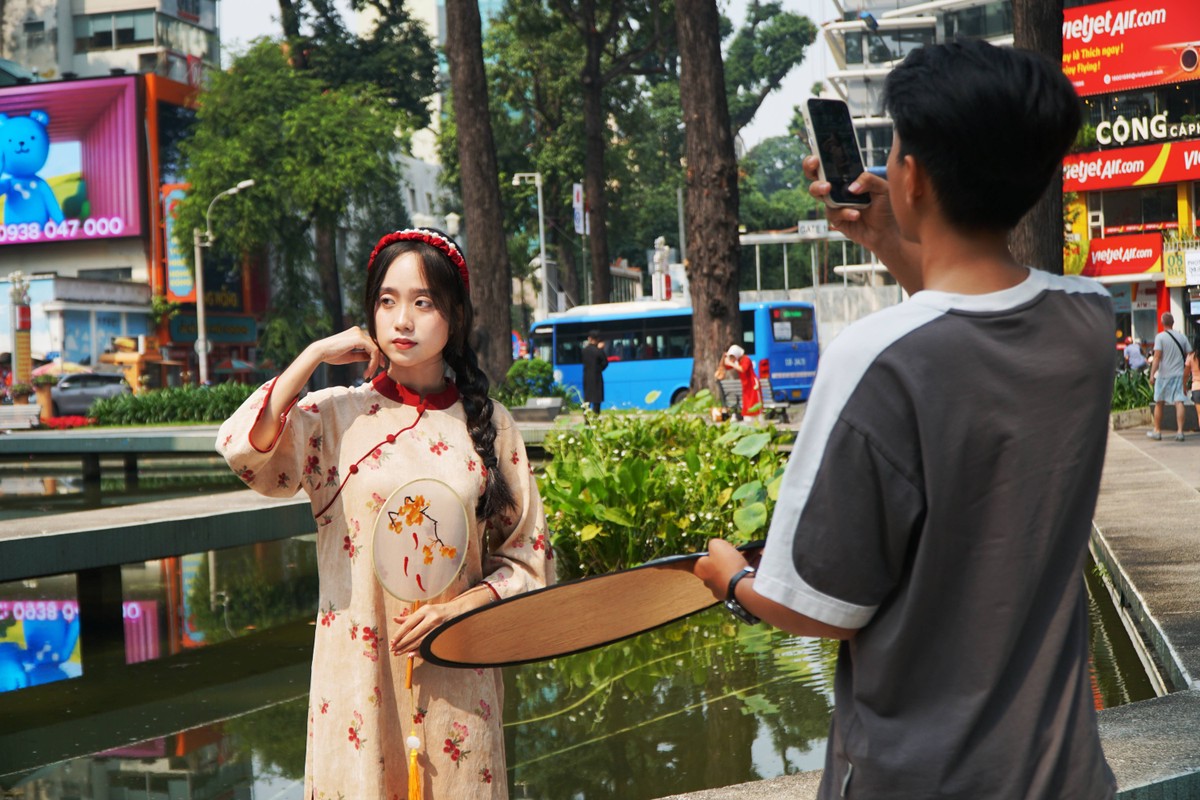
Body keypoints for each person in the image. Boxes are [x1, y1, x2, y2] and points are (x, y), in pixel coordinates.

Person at [694, 40, 1116, 799]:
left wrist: (733, 580)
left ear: (913, 175)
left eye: (894, 150)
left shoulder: (873, 358)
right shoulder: (1086, 324)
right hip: (1064, 777)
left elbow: (812, 607)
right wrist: (893, 235)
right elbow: (976, 319)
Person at [217, 228, 554, 799]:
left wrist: (465, 605)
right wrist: (314, 356)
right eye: (387, 301)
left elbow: (529, 561)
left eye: (423, 303)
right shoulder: (334, 416)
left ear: (454, 314)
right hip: (357, 678)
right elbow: (244, 450)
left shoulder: (491, 425)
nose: (402, 320)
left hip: (459, 675)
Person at [1148, 312, 1191, 441]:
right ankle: (1180, 432)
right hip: (1178, 374)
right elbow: (1189, 353)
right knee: (1179, 402)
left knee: (1159, 403)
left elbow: (1157, 357)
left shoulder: (1160, 337)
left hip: (1164, 376)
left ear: (1162, 323)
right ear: (1173, 323)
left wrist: (1152, 374)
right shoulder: (1182, 337)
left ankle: (1157, 431)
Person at [716, 344, 762, 422]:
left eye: (732, 357)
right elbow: (724, 366)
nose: (732, 359)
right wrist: (724, 357)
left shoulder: (746, 359)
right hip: (746, 385)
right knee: (747, 403)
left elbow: (743, 369)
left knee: (753, 403)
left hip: (753, 385)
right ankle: (748, 419)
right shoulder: (737, 361)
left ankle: (757, 420)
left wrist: (731, 363)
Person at [581, 329, 607, 414]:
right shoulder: (598, 351)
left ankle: (587, 419)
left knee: (587, 398)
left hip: (587, 377)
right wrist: (599, 369)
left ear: (589, 338)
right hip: (597, 377)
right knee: (597, 400)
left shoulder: (584, 351)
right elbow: (605, 363)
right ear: (597, 339)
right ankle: (596, 418)